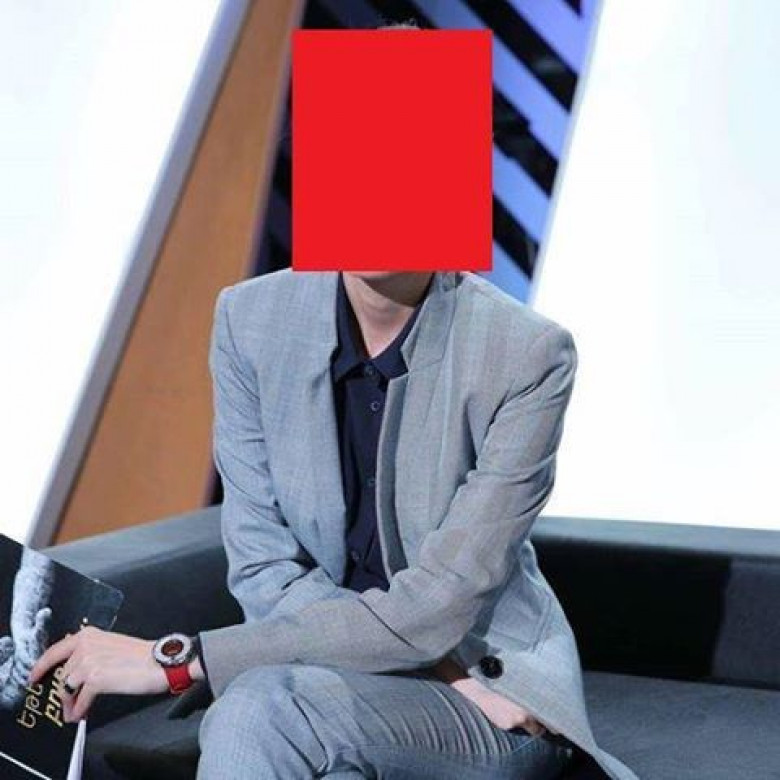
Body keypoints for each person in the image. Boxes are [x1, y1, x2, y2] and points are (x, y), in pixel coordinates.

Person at [30, 267, 638, 780]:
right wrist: (438, 671)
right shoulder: (251, 320)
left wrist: (181, 661)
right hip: (371, 678)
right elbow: (265, 568)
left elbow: (438, 606)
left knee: (259, 710)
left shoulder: (525, 353)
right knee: (278, 721)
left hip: (488, 688)